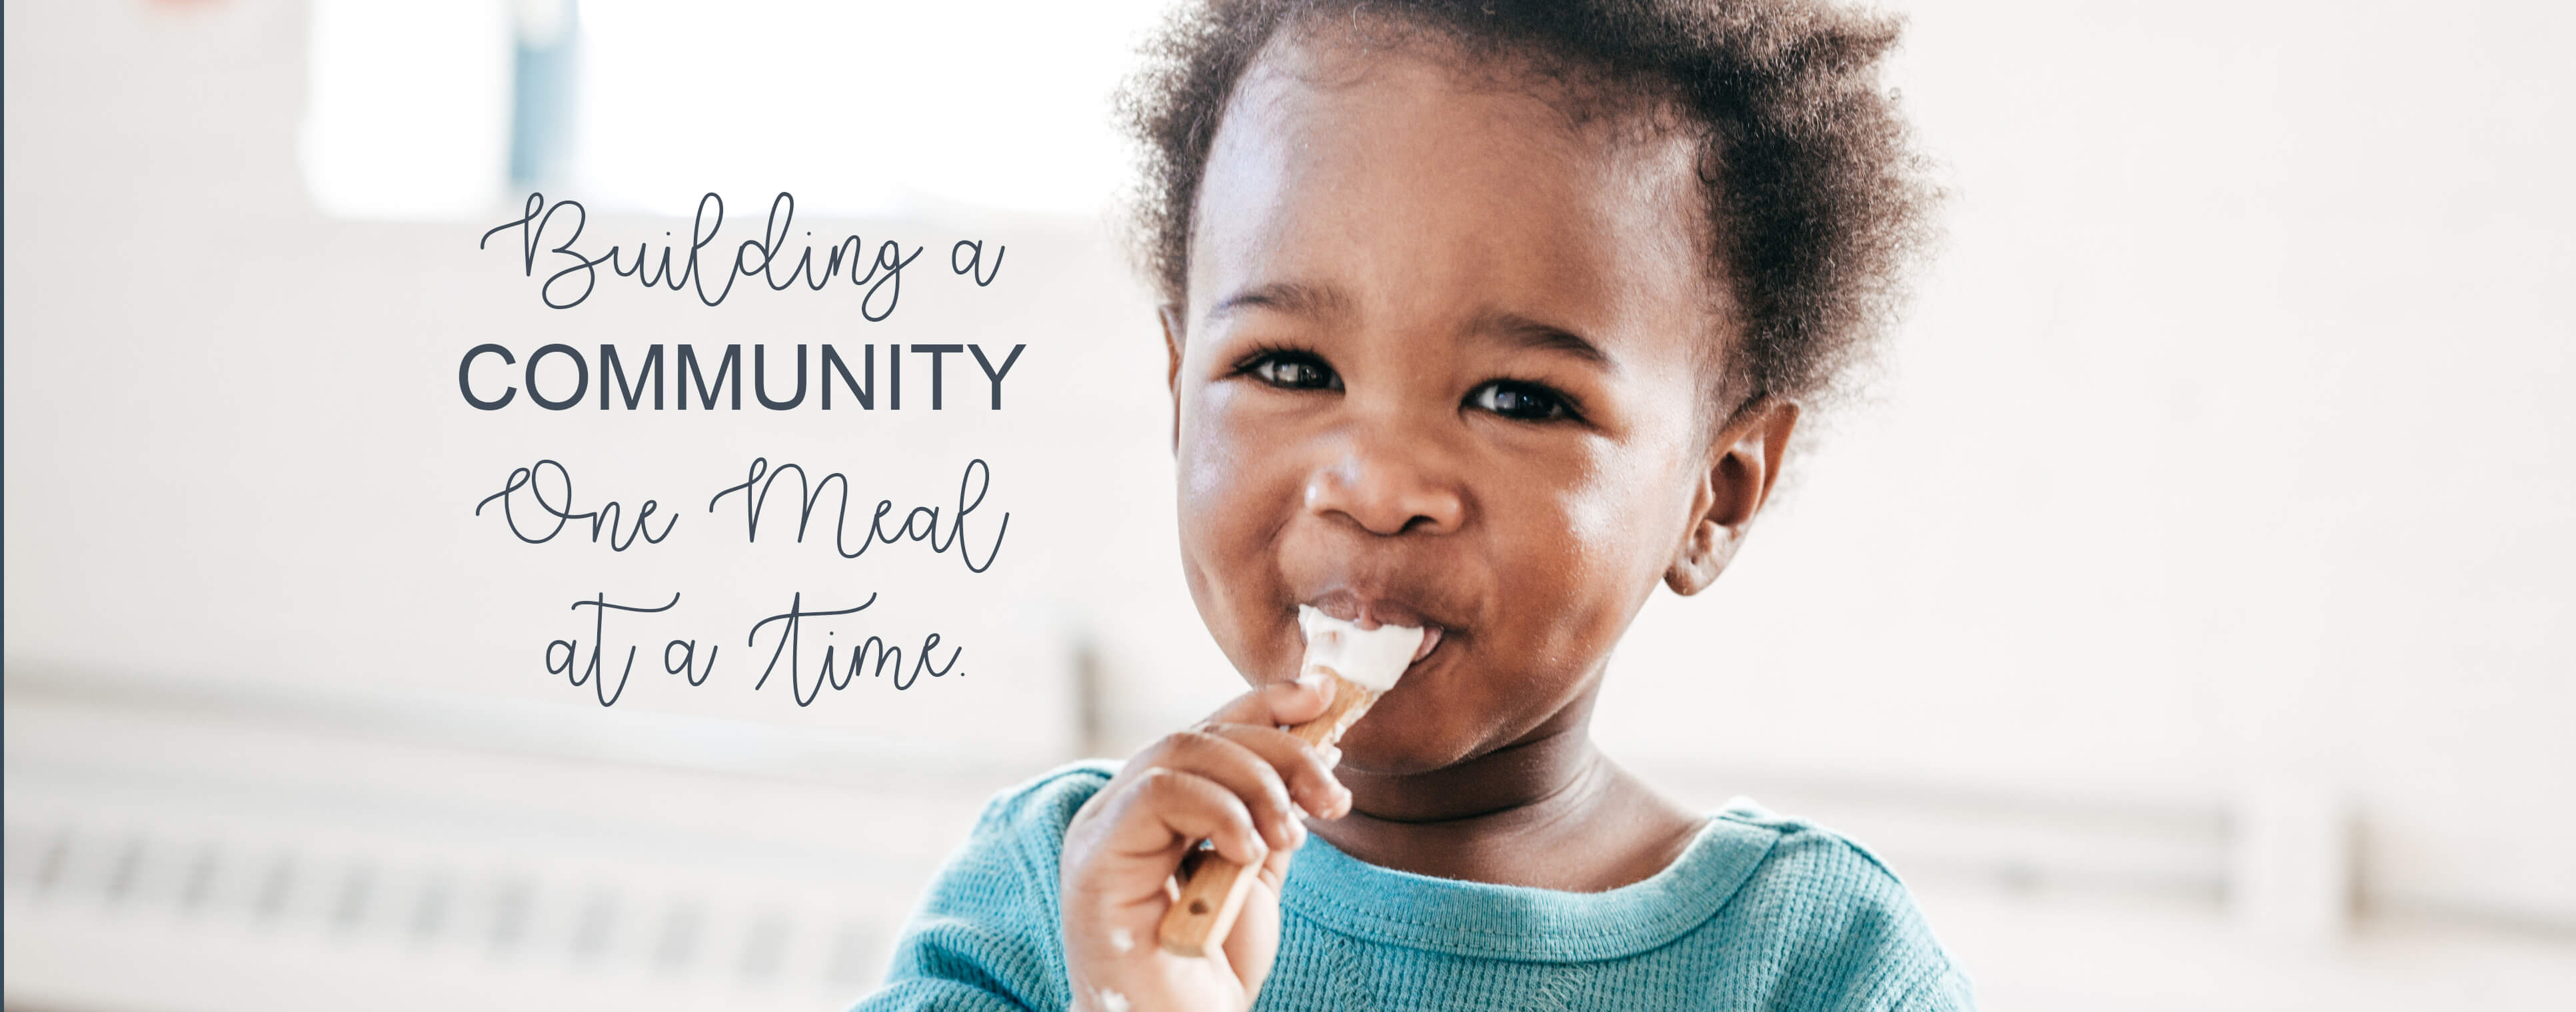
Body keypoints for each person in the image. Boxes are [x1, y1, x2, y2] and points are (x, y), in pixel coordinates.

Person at [857, 1, 1962, 1008]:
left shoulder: (1824, 967)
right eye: (1289, 367)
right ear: (1178, 397)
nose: (1377, 488)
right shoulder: (1054, 900)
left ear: (1714, 494)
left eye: (1520, 398)